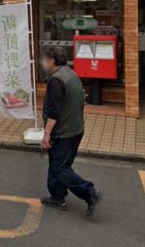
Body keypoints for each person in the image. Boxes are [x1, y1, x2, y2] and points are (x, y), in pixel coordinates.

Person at [40, 46, 102, 216]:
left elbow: (54, 112)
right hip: (76, 128)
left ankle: (89, 191)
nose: (43, 63)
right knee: (57, 164)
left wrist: (46, 135)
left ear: (52, 61)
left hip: (64, 131)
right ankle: (57, 196)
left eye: (45, 59)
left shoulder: (56, 80)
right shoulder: (71, 74)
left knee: (60, 168)